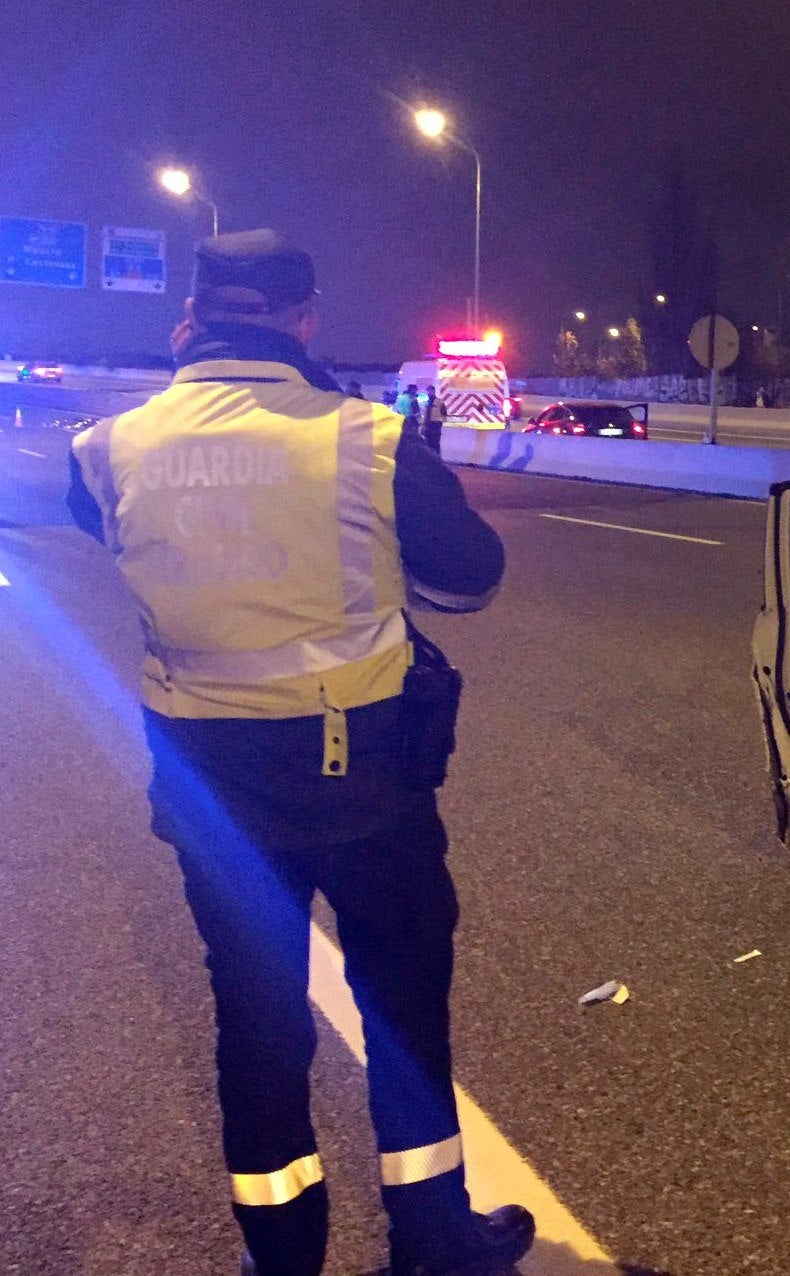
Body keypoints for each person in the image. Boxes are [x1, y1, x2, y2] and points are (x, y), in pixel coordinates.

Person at [66, 230, 530, 1276]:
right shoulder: (363, 439)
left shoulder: (108, 448)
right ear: (304, 318)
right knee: (401, 1010)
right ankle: (432, 1242)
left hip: (212, 794)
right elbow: (473, 579)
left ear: (190, 317)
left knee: (257, 1023)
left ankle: (280, 1256)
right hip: (366, 780)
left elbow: (115, 537)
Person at [423, 389, 447, 455]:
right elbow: (425, 413)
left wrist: (441, 421)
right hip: (428, 424)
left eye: (430, 391)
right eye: (428, 392)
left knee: (435, 442)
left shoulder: (439, 401)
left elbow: (444, 412)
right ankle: (430, 457)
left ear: (433, 391)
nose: (429, 393)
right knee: (428, 442)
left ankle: (436, 457)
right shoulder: (427, 402)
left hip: (436, 424)